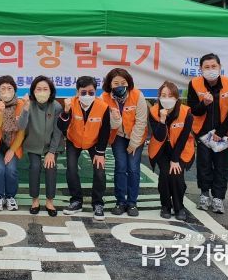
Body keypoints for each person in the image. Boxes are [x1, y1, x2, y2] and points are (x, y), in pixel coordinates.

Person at [187, 53, 228, 214]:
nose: (210, 69)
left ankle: (218, 198)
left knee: (221, 166)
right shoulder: (194, 83)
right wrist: (204, 103)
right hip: (202, 133)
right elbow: (193, 110)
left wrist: (221, 132)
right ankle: (204, 194)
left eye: (213, 66)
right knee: (204, 165)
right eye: (207, 67)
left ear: (220, 67)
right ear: (201, 69)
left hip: (222, 134)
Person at [58, 76, 109, 221]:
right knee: (71, 169)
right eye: (83, 92)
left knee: (100, 171)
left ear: (96, 92)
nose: (87, 95)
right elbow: (61, 126)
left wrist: (100, 152)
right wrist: (66, 111)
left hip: (95, 142)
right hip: (74, 141)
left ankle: (98, 203)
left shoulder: (103, 106)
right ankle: (76, 201)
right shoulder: (71, 103)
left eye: (91, 92)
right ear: (77, 92)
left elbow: (105, 130)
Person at [100, 68, 148, 217]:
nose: (120, 85)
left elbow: (141, 122)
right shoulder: (104, 98)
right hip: (118, 136)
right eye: (116, 83)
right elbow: (109, 124)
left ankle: (132, 202)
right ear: (110, 84)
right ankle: (120, 201)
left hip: (136, 135)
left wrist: (133, 143)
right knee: (121, 166)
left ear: (128, 82)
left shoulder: (137, 95)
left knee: (133, 168)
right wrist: (115, 118)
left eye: (123, 82)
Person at [148, 81, 194, 221]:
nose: (167, 98)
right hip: (160, 149)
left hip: (181, 149)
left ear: (176, 97)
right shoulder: (154, 111)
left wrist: (175, 159)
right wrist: (162, 120)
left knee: (176, 174)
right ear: (159, 97)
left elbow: (183, 137)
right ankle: (166, 206)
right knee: (165, 174)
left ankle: (179, 207)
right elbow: (159, 136)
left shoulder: (186, 112)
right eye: (163, 95)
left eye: (170, 95)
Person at [18, 75, 63, 217]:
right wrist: (25, 110)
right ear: (33, 91)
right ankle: (35, 200)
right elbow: (21, 126)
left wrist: (52, 152)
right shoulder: (28, 104)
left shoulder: (56, 106)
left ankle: (49, 201)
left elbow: (58, 131)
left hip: (52, 145)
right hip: (33, 143)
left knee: (51, 167)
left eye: (45, 89)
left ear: (51, 91)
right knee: (35, 167)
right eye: (38, 89)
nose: (42, 92)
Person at [0, 76, 25, 212]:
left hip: (13, 146)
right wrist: (0, 112)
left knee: (11, 170)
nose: (6, 91)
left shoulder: (21, 104)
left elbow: (22, 131)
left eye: (10, 88)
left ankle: (10, 196)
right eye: (3, 88)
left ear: (15, 90)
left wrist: (12, 150)